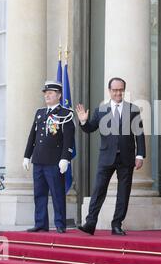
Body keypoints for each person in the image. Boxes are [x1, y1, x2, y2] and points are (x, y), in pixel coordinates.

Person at [76, 77, 146, 236]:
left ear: (124, 90)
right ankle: (90, 223)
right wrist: (83, 122)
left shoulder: (133, 109)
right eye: (115, 90)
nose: (118, 93)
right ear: (109, 91)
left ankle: (116, 225)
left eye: (121, 90)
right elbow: (90, 128)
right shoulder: (101, 110)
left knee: (123, 192)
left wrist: (140, 155)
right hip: (106, 156)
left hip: (127, 157)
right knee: (98, 190)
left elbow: (139, 134)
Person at [23, 81, 75, 234]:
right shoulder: (40, 112)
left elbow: (68, 139)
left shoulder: (66, 114)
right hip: (38, 160)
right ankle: (40, 223)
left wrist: (65, 158)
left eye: (51, 93)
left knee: (57, 194)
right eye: (46, 93)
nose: (47, 95)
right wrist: (27, 156)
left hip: (54, 161)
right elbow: (32, 136)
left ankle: (60, 224)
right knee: (39, 194)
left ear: (59, 95)